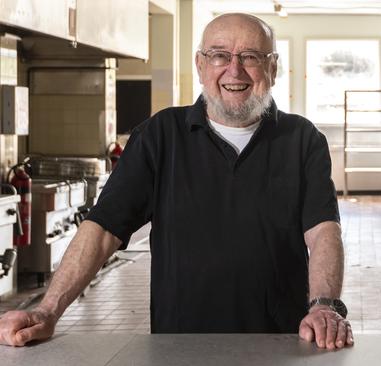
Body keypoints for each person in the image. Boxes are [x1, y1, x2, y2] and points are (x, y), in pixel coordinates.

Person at [0, 13, 353, 350]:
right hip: (180, 347)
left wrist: (323, 305)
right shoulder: (160, 136)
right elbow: (103, 228)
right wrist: (48, 310)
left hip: (281, 343)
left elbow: (323, 231)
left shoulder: (302, 139)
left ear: (272, 68)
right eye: (219, 55)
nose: (234, 69)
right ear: (200, 65)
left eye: (250, 56)